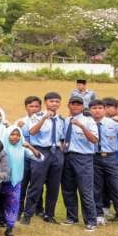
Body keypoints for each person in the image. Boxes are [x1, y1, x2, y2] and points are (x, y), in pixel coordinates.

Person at [22, 91, 66, 224]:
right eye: (51, 101)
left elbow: (62, 138)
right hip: (41, 151)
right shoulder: (36, 116)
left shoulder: (61, 120)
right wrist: (44, 118)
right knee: (36, 183)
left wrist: (61, 152)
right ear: (46, 102)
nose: (54, 104)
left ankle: (49, 214)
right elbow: (32, 131)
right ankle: (28, 214)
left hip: (56, 152)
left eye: (57, 101)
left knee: (54, 185)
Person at [59, 94, 98, 230]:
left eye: (78, 104)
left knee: (85, 190)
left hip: (83, 158)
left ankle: (91, 221)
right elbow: (63, 138)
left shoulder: (89, 121)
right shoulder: (66, 120)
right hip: (68, 157)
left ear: (82, 106)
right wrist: (62, 145)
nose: (75, 106)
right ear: (69, 105)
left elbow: (94, 140)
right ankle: (71, 217)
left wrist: (82, 126)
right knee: (68, 189)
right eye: (73, 104)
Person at [1, 127, 43, 236]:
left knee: (13, 205)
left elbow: (39, 158)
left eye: (17, 135)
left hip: (15, 182)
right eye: (12, 134)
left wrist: (30, 146)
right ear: (7, 135)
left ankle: (9, 229)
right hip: (0, 181)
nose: (15, 137)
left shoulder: (22, 149)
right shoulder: (2, 148)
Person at [90, 98, 118, 221]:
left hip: (110, 158)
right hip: (94, 158)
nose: (97, 111)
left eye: (100, 108)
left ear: (104, 109)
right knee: (96, 187)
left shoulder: (113, 123)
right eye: (94, 108)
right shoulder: (88, 123)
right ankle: (99, 214)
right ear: (90, 109)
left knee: (117, 187)